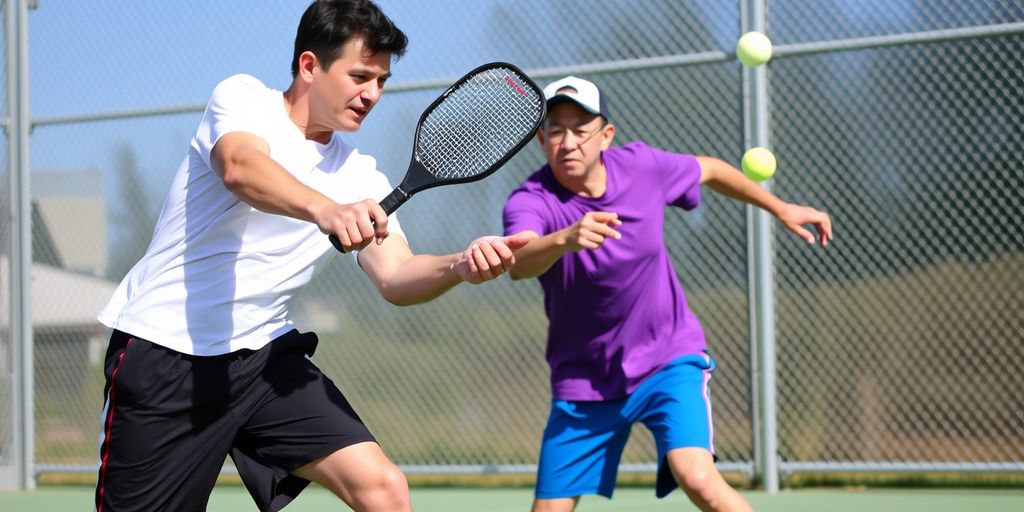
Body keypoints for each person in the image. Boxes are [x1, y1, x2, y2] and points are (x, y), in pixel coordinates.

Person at [94, 1, 526, 511]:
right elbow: (240, 168)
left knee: (384, 488)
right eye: (360, 75)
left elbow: (396, 276)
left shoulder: (361, 175)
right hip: (166, 355)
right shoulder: (243, 99)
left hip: (262, 359)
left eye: (382, 81)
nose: (372, 94)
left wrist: (458, 266)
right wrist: (325, 210)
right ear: (308, 66)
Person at [502, 76, 833, 512]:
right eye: (556, 130)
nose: (568, 142)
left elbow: (711, 169)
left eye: (581, 129)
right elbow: (519, 262)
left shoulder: (643, 166)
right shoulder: (531, 200)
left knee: (698, 478)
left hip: (667, 359)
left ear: (606, 136)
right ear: (541, 139)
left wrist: (780, 207)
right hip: (584, 379)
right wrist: (565, 238)